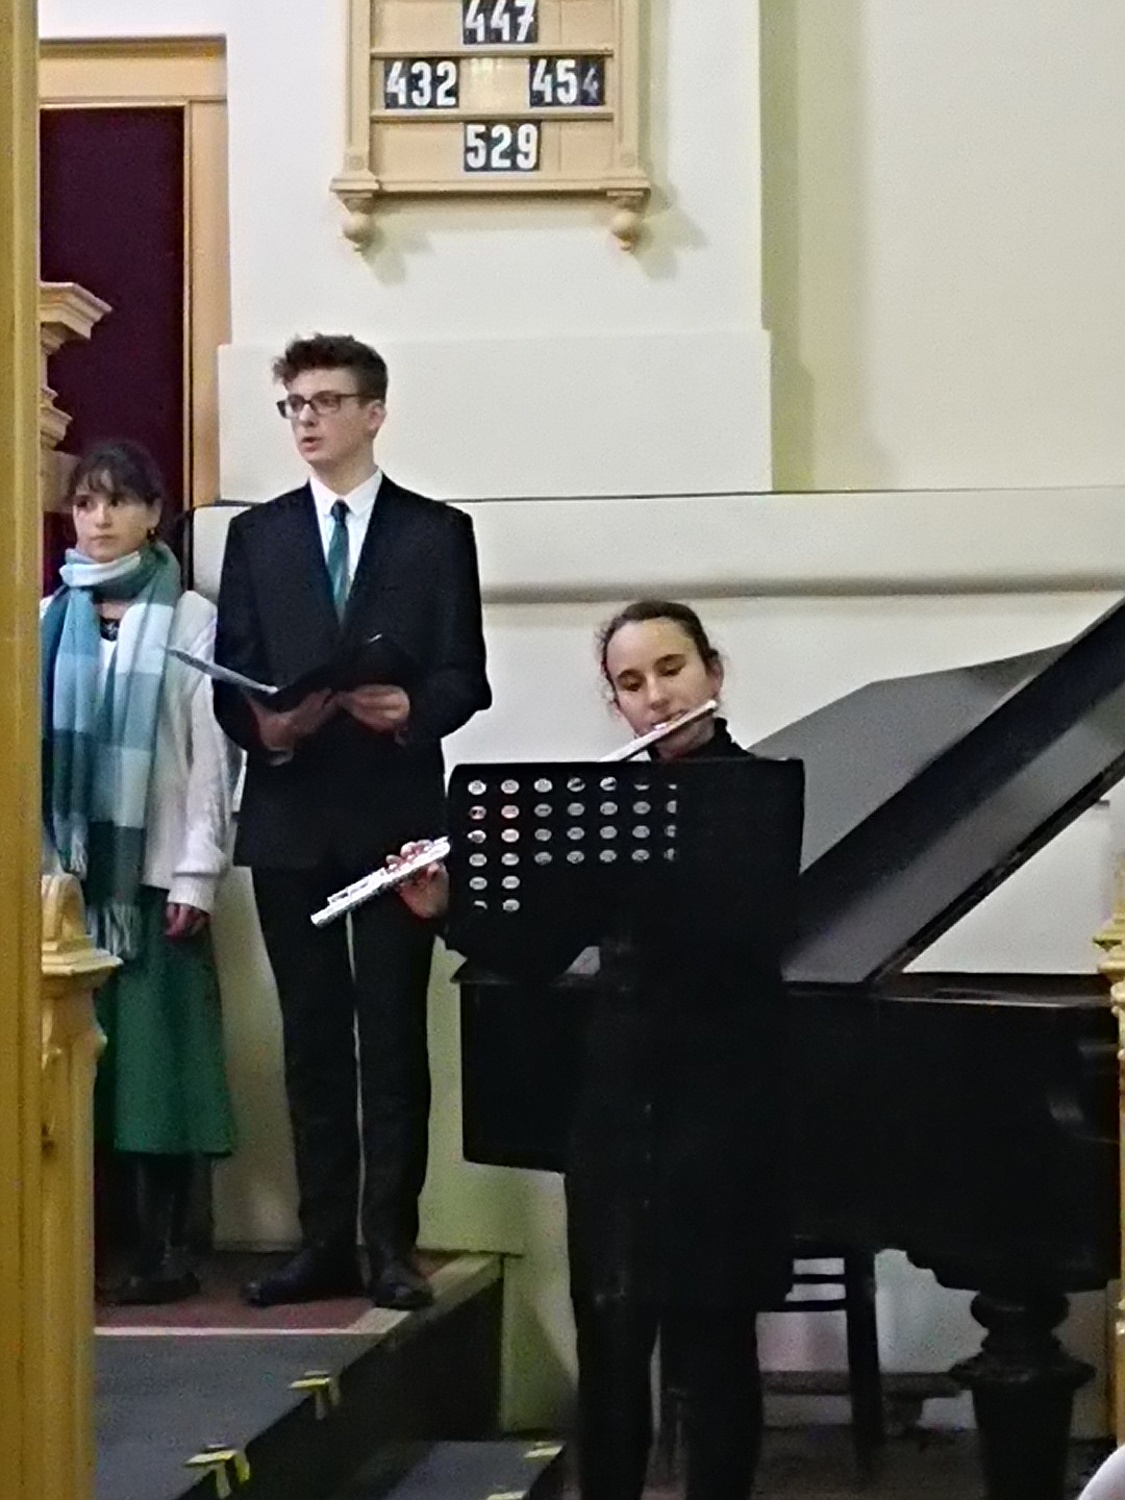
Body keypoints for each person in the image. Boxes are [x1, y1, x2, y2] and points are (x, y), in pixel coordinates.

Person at [391, 600, 793, 1500]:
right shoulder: (603, 807)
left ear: (713, 672)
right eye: (631, 683)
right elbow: (540, 948)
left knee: (713, 1348)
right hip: (616, 1104)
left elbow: (745, 937)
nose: (656, 697)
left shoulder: (758, 796)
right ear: (616, 703)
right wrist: (449, 907)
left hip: (722, 1106)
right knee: (610, 1341)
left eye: (671, 670)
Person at [212, 333, 491, 1311]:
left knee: (393, 1038)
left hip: (394, 819)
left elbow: (465, 676)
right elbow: (233, 675)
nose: (307, 420)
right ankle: (322, 1240)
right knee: (312, 1041)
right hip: (290, 814)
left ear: (373, 413)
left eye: (326, 402)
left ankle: (389, 1245)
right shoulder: (258, 537)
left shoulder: (434, 533)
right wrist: (267, 728)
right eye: (294, 404)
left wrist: (412, 709)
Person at [40, 439, 238, 1305]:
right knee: (84, 1077)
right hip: (69, 889)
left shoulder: (189, 617)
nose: (101, 519)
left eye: (119, 501)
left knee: (158, 1077)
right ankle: (81, 1248)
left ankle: (165, 1249)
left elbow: (211, 758)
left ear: (154, 514)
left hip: (151, 880)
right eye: (86, 502)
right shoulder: (46, 615)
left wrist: (197, 874)